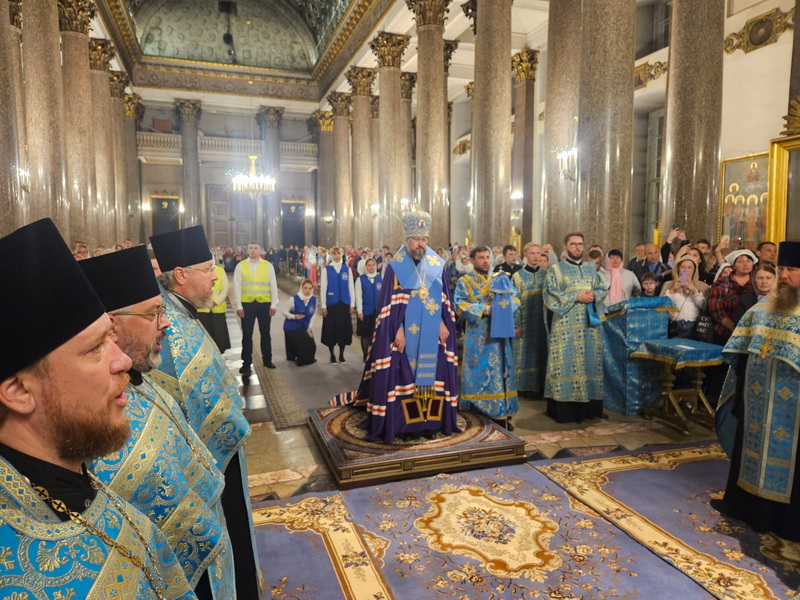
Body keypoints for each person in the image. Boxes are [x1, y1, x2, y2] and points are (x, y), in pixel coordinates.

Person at [0, 219, 194, 600]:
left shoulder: (69, 463)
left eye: (111, 336)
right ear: (19, 390)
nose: (123, 361)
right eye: (95, 348)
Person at [81, 246, 233, 600]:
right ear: (112, 324)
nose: (166, 322)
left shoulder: (143, 380)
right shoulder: (90, 421)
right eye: (154, 313)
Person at [149, 225, 262, 600]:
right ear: (181, 275)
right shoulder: (174, 333)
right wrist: (237, 422)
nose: (217, 276)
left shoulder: (182, 314)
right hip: (209, 466)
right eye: (208, 268)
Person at [336, 210, 460, 443]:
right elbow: (389, 305)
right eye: (416, 239)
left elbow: (444, 299)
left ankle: (430, 423)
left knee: (433, 377)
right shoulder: (395, 267)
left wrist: (444, 322)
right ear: (406, 240)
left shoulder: (436, 265)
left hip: (433, 334)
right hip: (404, 334)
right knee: (406, 378)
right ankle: (405, 426)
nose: (420, 244)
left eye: (424, 239)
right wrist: (397, 329)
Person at [714, 241, 800, 542]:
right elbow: (739, 346)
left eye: (792, 269)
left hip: (793, 412)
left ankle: (785, 522)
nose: (785, 275)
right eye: (782, 269)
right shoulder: (763, 306)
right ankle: (745, 507)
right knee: (749, 449)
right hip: (757, 401)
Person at [543, 232, 607, 423]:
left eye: (580, 244)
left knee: (589, 362)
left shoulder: (590, 268)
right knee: (566, 365)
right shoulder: (556, 269)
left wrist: (594, 296)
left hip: (589, 327)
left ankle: (590, 409)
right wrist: (575, 297)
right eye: (573, 244)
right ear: (565, 246)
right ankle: (566, 411)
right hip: (566, 327)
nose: (578, 247)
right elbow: (550, 295)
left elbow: (602, 288)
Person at [456, 247, 520, 429]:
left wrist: (503, 309)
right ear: (472, 260)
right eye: (481, 258)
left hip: (499, 336)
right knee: (479, 373)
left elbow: (515, 299)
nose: (485, 261)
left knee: (501, 373)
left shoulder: (500, 278)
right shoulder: (465, 281)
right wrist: (485, 310)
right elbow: (458, 305)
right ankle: (478, 414)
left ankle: (501, 413)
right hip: (478, 338)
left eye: (487, 257)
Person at [232, 242, 279, 373]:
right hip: (247, 304)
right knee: (247, 334)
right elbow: (237, 287)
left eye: (256, 248)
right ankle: (246, 363)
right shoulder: (240, 266)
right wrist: (239, 305)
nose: (253, 251)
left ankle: (267, 360)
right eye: (251, 248)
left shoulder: (268, 266)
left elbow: (273, 285)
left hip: (264, 303)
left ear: (260, 250)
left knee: (265, 333)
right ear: (247, 250)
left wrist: (274, 304)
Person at [511, 243, 548, 398]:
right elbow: (514, 302)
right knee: (524, 354)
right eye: (532, 253)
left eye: (538, 253)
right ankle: (523, 386)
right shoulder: (517, 276)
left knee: (542, 352)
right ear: (525, 254)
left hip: (543, 322)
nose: (535, 256)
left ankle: (541, 385)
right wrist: (516, 324)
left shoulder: (546, 274)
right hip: (525, 322)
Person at [709, 249, 758, 345]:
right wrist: (733, 328)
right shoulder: (722, 283)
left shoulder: (758, 281)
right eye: (740, 261)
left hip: (754, 334)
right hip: (725, 333)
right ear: (734, 265)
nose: (745, 264)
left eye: (748, 261)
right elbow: (716, 309)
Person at [660, 248, 709, 340]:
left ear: (694, 270)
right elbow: (661, 305)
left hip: (693, 327)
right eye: (683, 267)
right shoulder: (668, 284)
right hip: (672, 325)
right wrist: (672, 291)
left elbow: (705, 307)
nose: (686, 270)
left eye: (689, 267)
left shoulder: (702, 286)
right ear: (678, 269)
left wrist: (694, 291)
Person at [320, 246, 355, 364]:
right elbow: (323, 288)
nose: (337, 256)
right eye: (334, 254)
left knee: (343, 329)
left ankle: (341, 354)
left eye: (338, 254)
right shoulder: (327, 270)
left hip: (344, 303)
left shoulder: (347, 269)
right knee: (331, 329)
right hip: (331, 303)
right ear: (331, 255)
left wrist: (352, 304)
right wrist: (323, 305)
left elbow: (351, 287)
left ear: (341, 255)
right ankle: (332, 354)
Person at [197, 263, 231, 353]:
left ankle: (220, 355)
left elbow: (225, 289)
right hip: (202, 309)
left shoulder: (220, 270)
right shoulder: (197, 271)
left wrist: (216, 302)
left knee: (219, 333)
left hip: (218, 309)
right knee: (206, 335)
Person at [282, 278, 317, 366]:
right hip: (292, 327)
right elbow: (284, 311)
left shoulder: (313, 299)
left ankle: (306, 358)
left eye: (310, 288)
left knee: (312, 345)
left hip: (304, 328)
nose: (307, 291)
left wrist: (309, 328)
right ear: (301, 288)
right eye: (305, 288)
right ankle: (301, 361)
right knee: (303, 341)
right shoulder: (294, 299)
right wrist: (294, 317)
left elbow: (313, 315)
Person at [355, 257, 382, 361]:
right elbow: (358, 296)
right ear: (365, 267)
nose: (371, 267)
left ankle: (374, 355)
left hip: (377, 312)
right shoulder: (360, 279)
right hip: (365, 311)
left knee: (375, 334)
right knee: (365, 335)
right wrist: (360, 311)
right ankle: (365, 355)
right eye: (369, 265)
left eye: (373, 265)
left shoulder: (380, 278)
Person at [598, 249, 641, 314]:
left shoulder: (630, 274)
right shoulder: (600, 275)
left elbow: (638, 290)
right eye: (612, 258)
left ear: (621, 259)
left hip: (625, 310)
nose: (615, 260)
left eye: (618, 257)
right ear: (607, 259)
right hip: (605, 311)